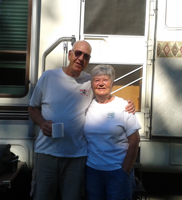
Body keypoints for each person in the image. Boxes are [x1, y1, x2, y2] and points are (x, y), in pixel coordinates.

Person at [28, 41, 135, 200]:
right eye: (77, 53)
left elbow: (104, 92)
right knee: (42, 196)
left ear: (88, 61)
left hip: (76, 156)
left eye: (86, 56)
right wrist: (42, 123)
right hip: (46, 153)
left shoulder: (89, 81)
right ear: (70, 54)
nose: (80, 58)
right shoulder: (48, 77)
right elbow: (32, 108)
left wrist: (127, 103)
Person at [84, 65, 141, 200]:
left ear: (112, 83)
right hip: (93, 171)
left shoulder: (123, 106)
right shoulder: (87, 106)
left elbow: (134, 141)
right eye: (97, 80)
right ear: (92, 84)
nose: (101, 84)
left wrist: (125, 171)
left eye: (105, 80)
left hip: (117, 171)